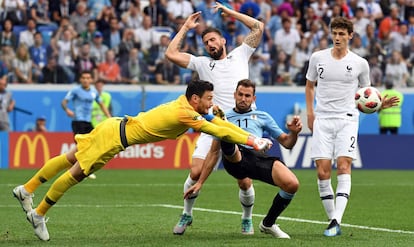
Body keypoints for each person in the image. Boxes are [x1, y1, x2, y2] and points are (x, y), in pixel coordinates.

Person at [12, 79, 273, 241]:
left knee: (70, 157)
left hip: (114, 127)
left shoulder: (185, 105)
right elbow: (217, 130)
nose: (212, 102)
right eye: (208, 99)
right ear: (195, 99)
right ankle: (38, 215)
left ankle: (27, 189)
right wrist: (252, 141)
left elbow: (219, 123)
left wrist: (246, 136)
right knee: (77, 172)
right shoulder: (185, 114)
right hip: (114, 139)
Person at [165, 4, 265, 235]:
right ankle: (187, 214)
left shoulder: (240, 54)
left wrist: (231, 14)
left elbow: (258, 27)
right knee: (195, 172)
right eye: (206, 42)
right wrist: (185, 28)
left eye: (213, 40)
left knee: (244, 180)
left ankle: (246, 219)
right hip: (213, 125)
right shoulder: (202, 63)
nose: (209, 44)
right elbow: (170, 54)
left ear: (223, 42)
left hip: (242, 125)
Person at [305, 17, 400, 237]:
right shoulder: (317, 58)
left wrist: (379, 106)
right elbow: (310, 85)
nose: (337, 38)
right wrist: (310, 112)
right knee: (322, 172)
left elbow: (367, 97)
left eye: (341, 34)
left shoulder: (360, 63)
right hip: (323, 118)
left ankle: (336, 220)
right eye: (334, 33)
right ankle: (333, 221)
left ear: (350, 36)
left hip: (347, 118)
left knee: (344, 166)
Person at [185, 79, 302, 238]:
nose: (243, 98)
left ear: (254, 99)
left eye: (247, 96)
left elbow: (287, 143)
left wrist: (294, 133)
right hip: (234, 158)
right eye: (240, 94)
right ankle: (239, 140)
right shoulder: (223, 117)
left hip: (256, 159)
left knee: (292, 184)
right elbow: (213, 152)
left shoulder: (263, 116)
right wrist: (200, 182)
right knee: (228, 136)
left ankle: (268, 224)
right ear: (234, 95)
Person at [61, 70, 111, 135]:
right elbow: (64, 102)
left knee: (93, 141)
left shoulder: (94, 91)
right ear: (80, 79)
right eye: (83, 78)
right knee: (82, 143)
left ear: (91, 80)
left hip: (88, 121)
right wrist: (67, 110)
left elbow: (101, 104)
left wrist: (108, 116)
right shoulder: (75, 90)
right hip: (78, 121)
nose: (85, 80)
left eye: (87, 78)